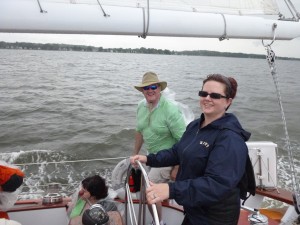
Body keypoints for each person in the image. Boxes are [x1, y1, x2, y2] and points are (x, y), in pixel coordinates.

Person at [130, 74, 251, 225]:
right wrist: (149, 159)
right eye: (203, 93)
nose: (207, 98)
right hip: (194, 208)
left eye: (215, 95)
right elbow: (177, 152)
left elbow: (217, 184)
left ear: (228, 101)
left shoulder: (230, 139)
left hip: (215, 217)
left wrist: (170, 190)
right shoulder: (195, 126)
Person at [133, 71, 187, 225]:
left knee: (148, 191)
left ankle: (160, 222)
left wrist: (177, 167)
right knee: (144, 188)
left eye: (153, 86)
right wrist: (135, 154)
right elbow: (139, 132)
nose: (150, 90)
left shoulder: (170, 109)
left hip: (168, 158)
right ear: (142, 91)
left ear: (159, 88)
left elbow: (183, 141)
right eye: (146, 88)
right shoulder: (140, 106)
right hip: (151, 156)